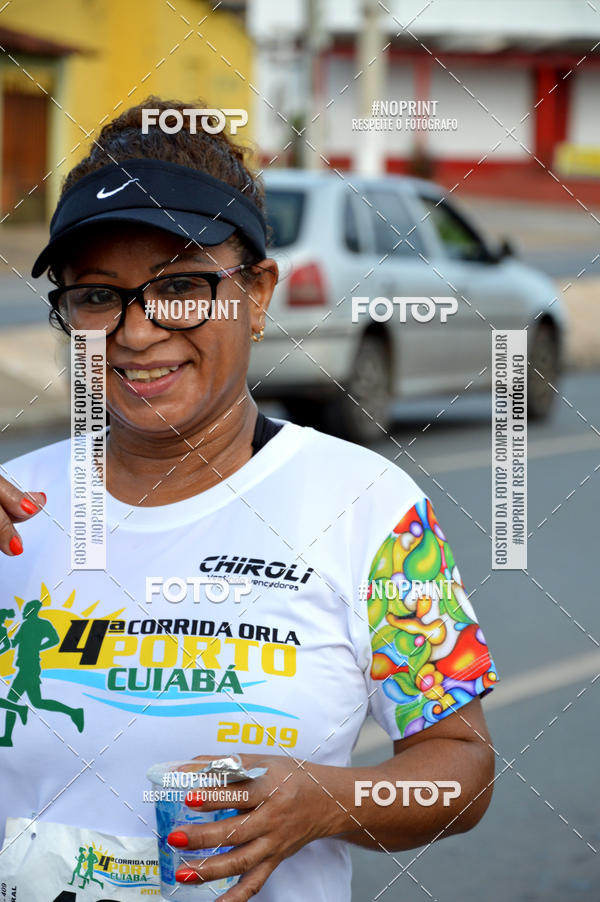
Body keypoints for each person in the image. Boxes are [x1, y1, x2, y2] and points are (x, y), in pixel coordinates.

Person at [0, 98, 498, 901]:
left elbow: (463, 773)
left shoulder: (368, 507)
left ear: (258, 294)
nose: (134, 333)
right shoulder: (14, 505)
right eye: (95, 296)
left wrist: (330, 800)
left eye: (182, 286)